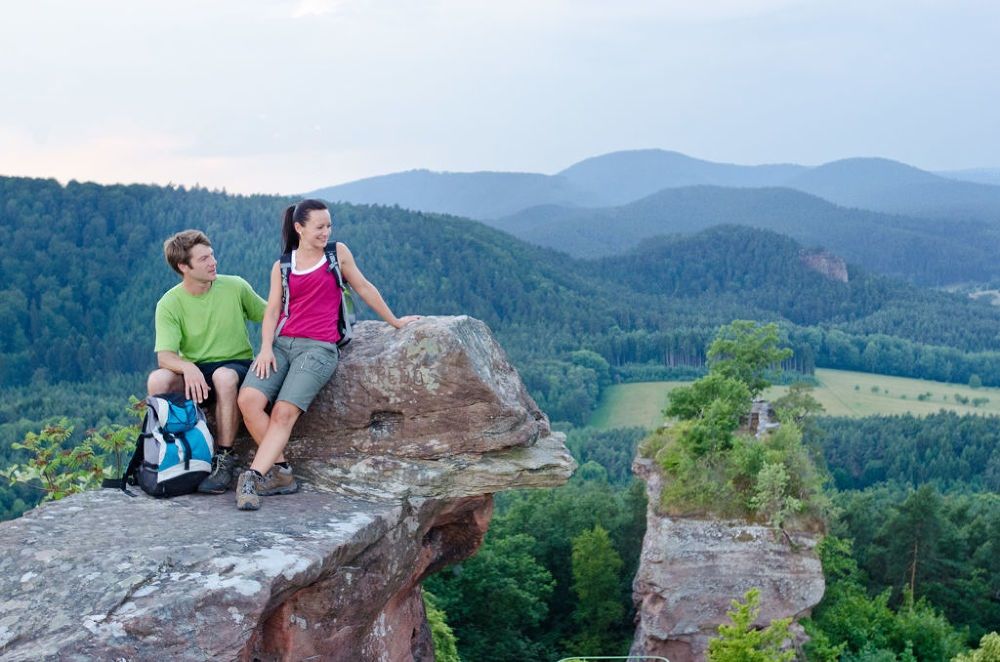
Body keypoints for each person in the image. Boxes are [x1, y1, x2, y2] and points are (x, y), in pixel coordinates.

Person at [235, 199, 418, 510]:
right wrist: (265, 348)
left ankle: (252, 476)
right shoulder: (283, 265)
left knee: (283, 413)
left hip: (319, 347)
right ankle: (280, 472)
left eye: (328, 226)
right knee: (248, 401)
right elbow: (273, 311)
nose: (326, 232)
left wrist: (395, 321)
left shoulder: (336, 254)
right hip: (282, 343)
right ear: (299, 228)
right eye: (319, 226)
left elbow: (363, 286)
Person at [148, 230, 267, 494]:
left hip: (235, 364)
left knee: (223, 376)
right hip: (198, 373)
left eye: (211, 255)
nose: (213, 262)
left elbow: (270, 314)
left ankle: (224, 457)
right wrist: (188, 367)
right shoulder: (170, 303)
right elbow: (165, 356)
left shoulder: (235, 286)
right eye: (203, 259)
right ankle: (170, 449)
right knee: (158, 379)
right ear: (183, 267)